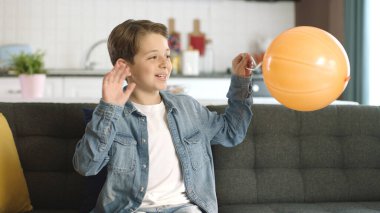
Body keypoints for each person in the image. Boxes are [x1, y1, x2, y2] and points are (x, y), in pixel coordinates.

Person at [73, 19, 255, 213]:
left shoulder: (188, 108)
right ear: (124, 66)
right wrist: (108, 109)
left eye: (167, 56)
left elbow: (232, 132)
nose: (165, 64)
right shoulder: (111, 116)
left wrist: (241, 81)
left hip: (184, 208)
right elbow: (86, 166)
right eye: (153, 57)